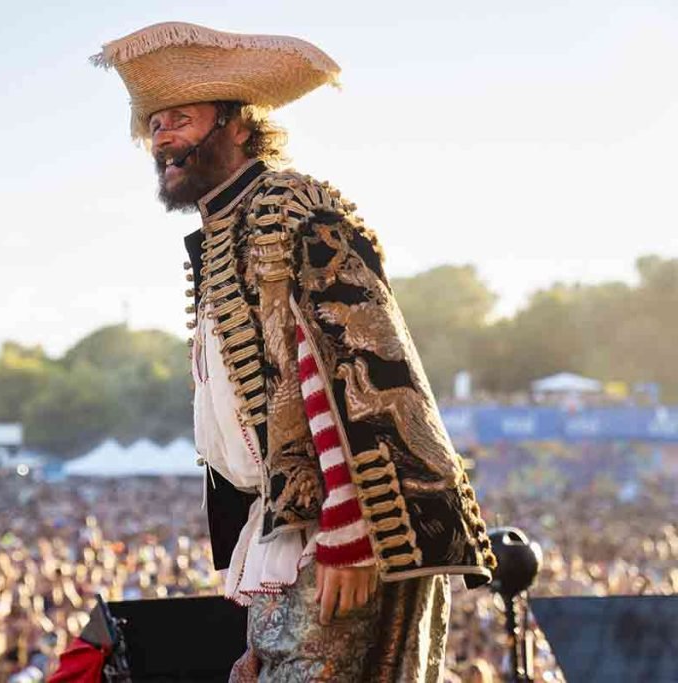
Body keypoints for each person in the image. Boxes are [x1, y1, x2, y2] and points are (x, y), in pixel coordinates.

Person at [94, 22, 498, 681]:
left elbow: (354, 362)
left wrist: (352, 528)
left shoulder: (290, 207)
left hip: (349, 521)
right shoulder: (228, 224)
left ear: (238, 126)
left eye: (181, 119)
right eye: (156, 123)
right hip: (295, 523)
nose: (163, 136)